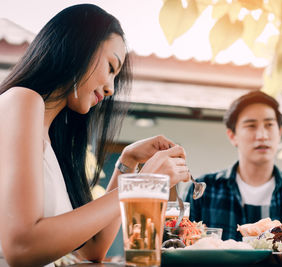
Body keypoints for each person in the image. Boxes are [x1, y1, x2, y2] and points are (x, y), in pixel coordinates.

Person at [0, 4, 189, 267]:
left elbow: (91, 251)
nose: (111, 89)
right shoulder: (23, 100)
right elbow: (21, 248)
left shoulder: (51, 140)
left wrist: (128, 163)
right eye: (111, 67)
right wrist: (142, 184)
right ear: (79, 48)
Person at [185, 91, 282, 241]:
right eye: (251, 126)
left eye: (269, 125)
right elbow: (181, 244)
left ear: (280, 132)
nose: (262, 135)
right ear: (232, 136)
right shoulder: (204, 190)